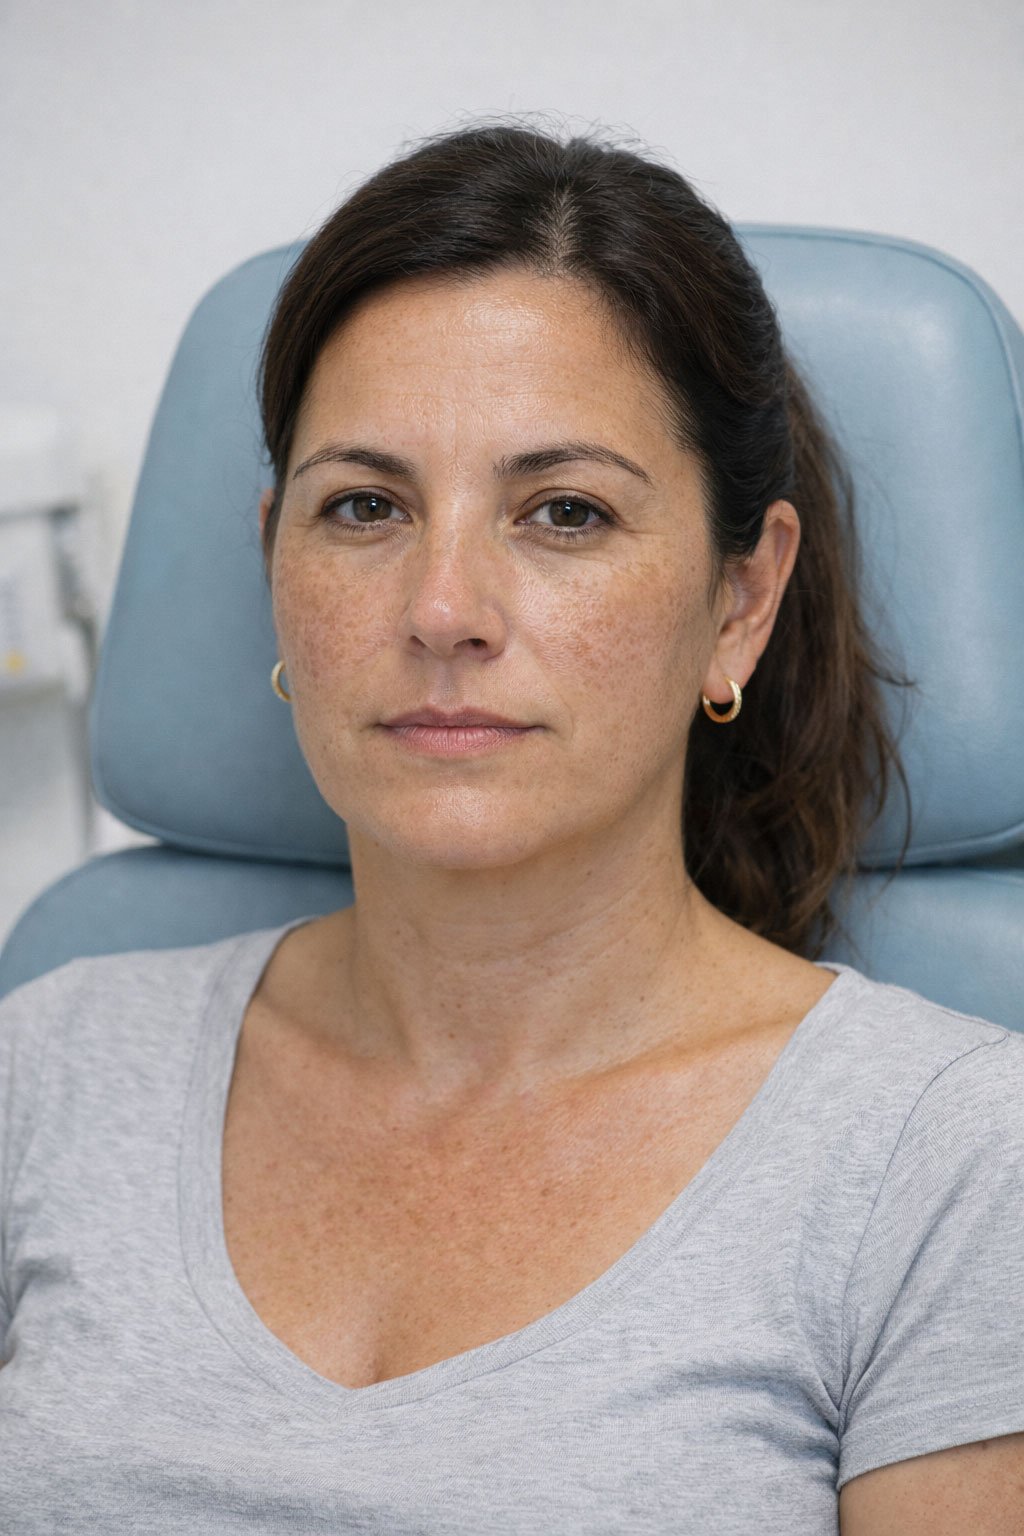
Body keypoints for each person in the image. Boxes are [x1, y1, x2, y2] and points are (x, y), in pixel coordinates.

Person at [1, 119, 1023, 1533]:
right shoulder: (45, 1068)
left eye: (563, 513)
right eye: (363, 506)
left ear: (742, 599)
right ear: (274, 567)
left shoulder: (955, 1164)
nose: (442, 610)